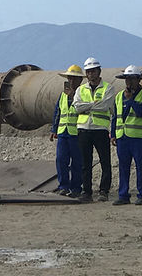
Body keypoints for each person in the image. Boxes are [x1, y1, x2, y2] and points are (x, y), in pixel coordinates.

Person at [73, 56, 116, 202]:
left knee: (105, 161)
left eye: (93, 71)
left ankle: (104, 191)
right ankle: (87, 192)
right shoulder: (80, 89)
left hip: (100, 129)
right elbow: (77, 107)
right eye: (88, 71)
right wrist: (94, 104)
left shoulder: (108, 88)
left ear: (99, 71)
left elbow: (105, 105)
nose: (90, 74)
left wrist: (86, 106)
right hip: (83, 129)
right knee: (85, 163)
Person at [111, 65, 142, 205]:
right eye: (127, 79)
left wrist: (131, 100)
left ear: (139, 80)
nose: (129, 82)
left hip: (138, 138)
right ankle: (123, 195)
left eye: (132, 79)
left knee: (141, 166)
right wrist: (113, 134)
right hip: (122, 137)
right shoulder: (119, 96)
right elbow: (115, 117)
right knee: (123, 167)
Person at [49, 64, 84, 197]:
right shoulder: (63, 95)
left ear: (80, 80)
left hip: (77, 133)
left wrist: (74, 96)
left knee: (77, 162)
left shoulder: (83, 93)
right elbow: (58, 112)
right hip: (63, 132)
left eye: (74, 78)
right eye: (70, 78)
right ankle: (63, 186)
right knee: (61, 160)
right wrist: (54, 129)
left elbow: (84, 109)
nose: (71, 81)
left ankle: (76, 188)